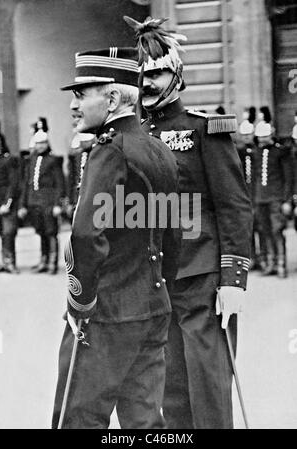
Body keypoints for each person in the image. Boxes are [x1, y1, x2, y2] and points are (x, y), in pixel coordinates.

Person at [125, 15, 253, 429]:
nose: (148, 82)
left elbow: (233, 205)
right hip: (154, 278)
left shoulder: (204, 129)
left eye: (158, 72)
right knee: (169, 384)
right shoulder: (133, 135)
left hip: (202, 276)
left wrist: (234, 279)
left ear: (176, 76)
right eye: (142, 74)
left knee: (208, 382)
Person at [51, 46, 181, 429]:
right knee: (144, 422)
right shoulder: (160, 151)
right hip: (153, 308)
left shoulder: (108, 153)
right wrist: (159, 292)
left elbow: (86, 235)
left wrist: (81, 305)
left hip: (106, 316)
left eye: (81, 94)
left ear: (110, 99)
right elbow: (174, 234)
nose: (74, 106)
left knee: (79, 419)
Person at [18, 130, 65, 274]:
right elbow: (27, 183)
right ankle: (43, 260)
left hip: (49, 201)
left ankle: (52, 262)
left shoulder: (53, 160)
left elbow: (59, 183)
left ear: (47, 143)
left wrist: (58, 204)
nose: (40, 146)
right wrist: (23, 204)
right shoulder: (31, 160)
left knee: (51, 232)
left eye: (43, 143)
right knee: (41, 231)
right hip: (34, 201)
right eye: (38, 143)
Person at [254, 121, 293, 278]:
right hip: (260, 198)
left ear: (271, 135)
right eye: (260, 137)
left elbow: (288, 178)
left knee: (277, 230)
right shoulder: (256, 152)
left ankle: (281, 263)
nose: (262, 140)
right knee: (265, 231)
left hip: (276, 198)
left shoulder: (281, 152)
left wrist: (287, 200)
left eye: (265, 137)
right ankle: (271, 263)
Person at [237, 107, 266, 270]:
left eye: (249, 134)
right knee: (248, 228)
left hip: (257, 194)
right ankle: (251, 258)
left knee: (261, 226)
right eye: (244, 135)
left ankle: (262, 256)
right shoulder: (238, 152)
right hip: (244, 194)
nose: (247, 138)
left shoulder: (257, 151)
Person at [0, 133, 20, 273]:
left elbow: (13, 183)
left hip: (5, 203)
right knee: (0, 232)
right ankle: (4, 261)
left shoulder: (8, 160)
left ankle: (10, 262)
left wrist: (7, 203)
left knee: (8, 233)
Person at [66, 130, 96, 220]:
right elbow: (72, 178)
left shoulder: (97, 153)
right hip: (78, 196)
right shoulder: (76, 157)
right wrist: (70, 201)